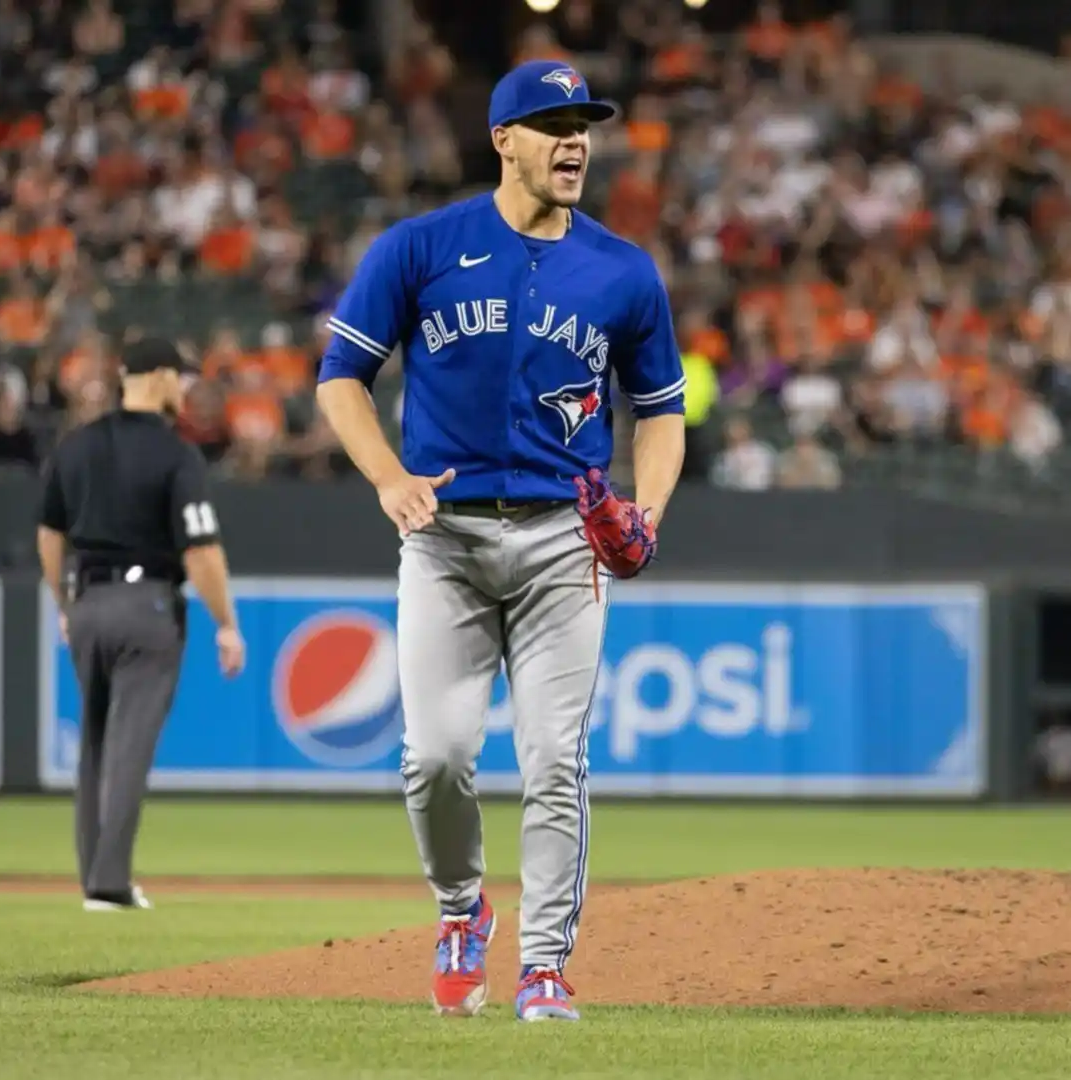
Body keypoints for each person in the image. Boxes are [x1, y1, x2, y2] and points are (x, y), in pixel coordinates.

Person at [315, 60, 686, 1022]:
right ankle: (460, 906)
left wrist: (646, 511)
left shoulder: (622, 269)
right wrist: (388, 478)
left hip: (566, 541)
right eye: (553, 122)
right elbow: (339, 379)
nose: (575, 140)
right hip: (445, 538)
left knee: (554, 758)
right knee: (433, 757)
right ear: (503, 140)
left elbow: (660, 412)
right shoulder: (421, 246)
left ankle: (545, 965)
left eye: (584, 124)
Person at [35, 336, 246, 912]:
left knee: (95, 746)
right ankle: (109, 884)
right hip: (146, 605)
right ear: (155, 377)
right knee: (129, 746)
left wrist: (63, 603)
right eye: (177, 377)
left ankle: (94, 879)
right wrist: (226, 623)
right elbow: (201, 550)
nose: (183, 388)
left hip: (87, 604)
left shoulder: (74, 447)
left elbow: (49, 536)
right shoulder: (176, 454)